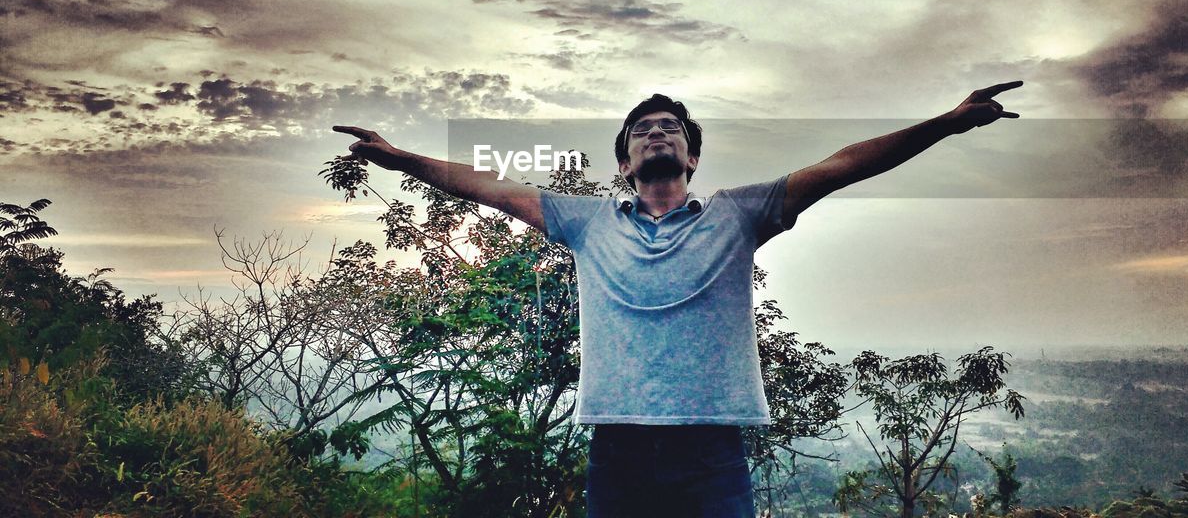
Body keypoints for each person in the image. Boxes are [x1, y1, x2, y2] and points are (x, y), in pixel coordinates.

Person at [333, 81, 1021, 517]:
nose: (655, 132)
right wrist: (401, 160)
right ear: (625, 163)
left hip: (711, 450)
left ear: (691, 157)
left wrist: (947, 123)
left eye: (671, 128)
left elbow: (844, 163)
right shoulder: (587, 221)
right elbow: (486, 185)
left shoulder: (738, 215)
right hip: (618, 449)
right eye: (641, 131)